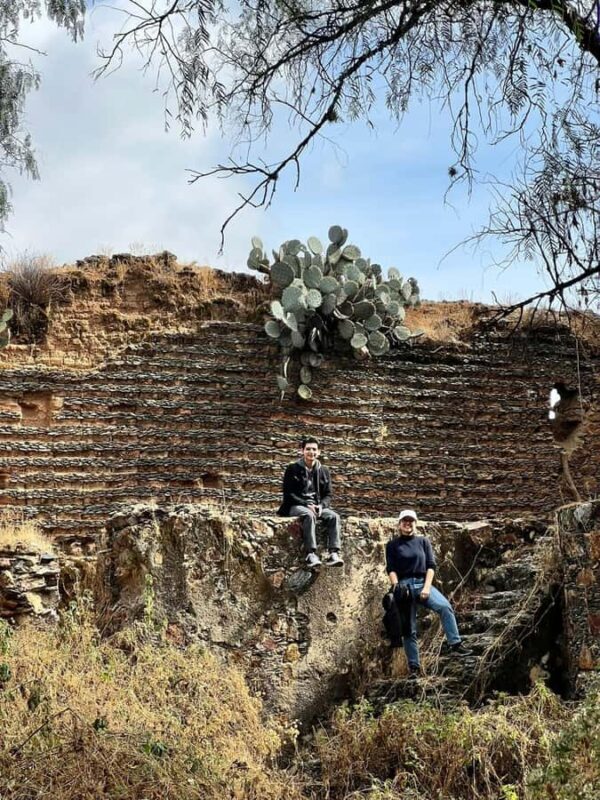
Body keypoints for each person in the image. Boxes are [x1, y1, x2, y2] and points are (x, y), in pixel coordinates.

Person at [385, 508, 471, 677]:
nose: (407, 524)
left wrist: (426, 587)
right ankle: (414, 668)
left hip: (422, 583)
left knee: (445, 607)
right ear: (399, 524)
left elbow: (431, 566)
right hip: (404, 586)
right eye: (405, 521)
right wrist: (396, 586)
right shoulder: (392, 545)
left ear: (415, 524)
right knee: (409, 629)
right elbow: (391, 568)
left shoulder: (423, 541)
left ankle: (455, 644)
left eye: (411, 521)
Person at [278, 437, 343, 568]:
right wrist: (306, 504)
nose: (311, 452)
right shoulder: (292, 469)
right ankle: (310, 554)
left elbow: (328, 495)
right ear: (302, 451)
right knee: (309, 515)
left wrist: (321, 506)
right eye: (308, 449)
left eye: (314, 449)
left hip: (317, 505)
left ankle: (333, 553)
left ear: (318, 452)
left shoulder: (324, 471)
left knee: (334, 516)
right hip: (296, 506)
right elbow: (288, 494)